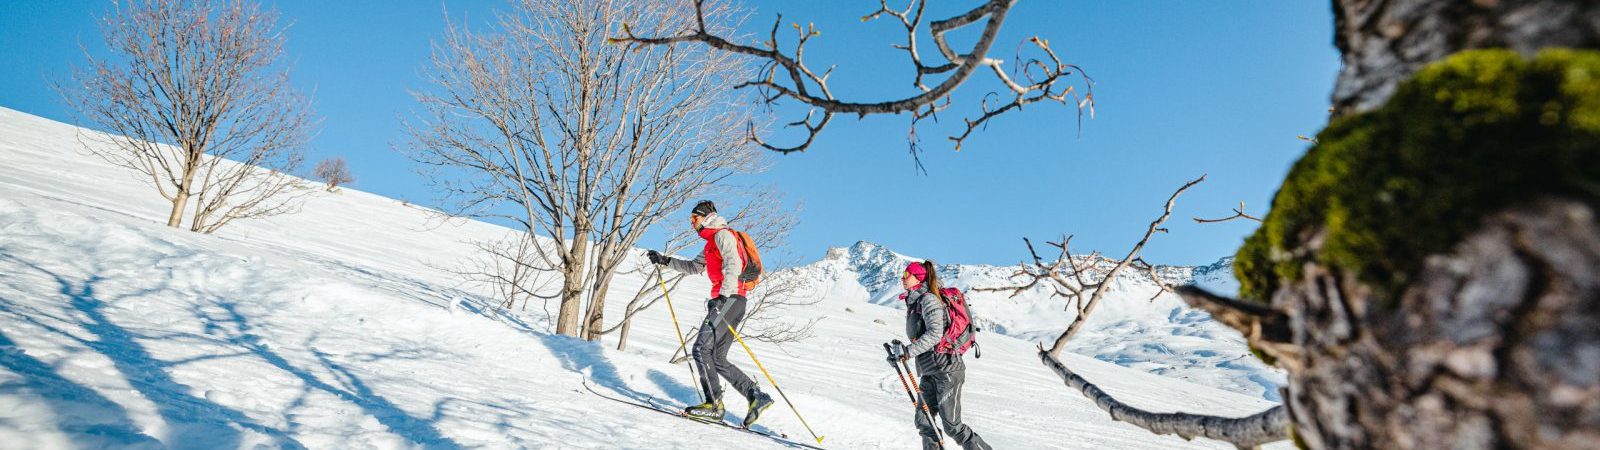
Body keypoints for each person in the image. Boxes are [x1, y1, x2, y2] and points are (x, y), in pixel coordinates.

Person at [647, 200, 775, 427]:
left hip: (729, 298)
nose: (692, 224)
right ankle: (756, 397)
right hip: (735, 300)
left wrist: (723, 297)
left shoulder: (722, 236)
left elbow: (733, 264)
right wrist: (665, 261)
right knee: (716, 357)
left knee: (700, 348)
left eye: (694, 219)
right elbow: (694, 267)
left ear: (706, 217)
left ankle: (714, 406)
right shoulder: (710, 243)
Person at [887, 261, 992, 450]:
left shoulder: (928, 300)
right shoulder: (915, 301)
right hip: (930, 370)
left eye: (906, 274)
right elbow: (923, 337)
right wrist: (900, 353)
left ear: (918, 277)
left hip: (947, 369)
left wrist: (908, 351)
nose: (902, 278)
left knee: (952, 426)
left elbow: (935, 334)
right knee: (924, 420)